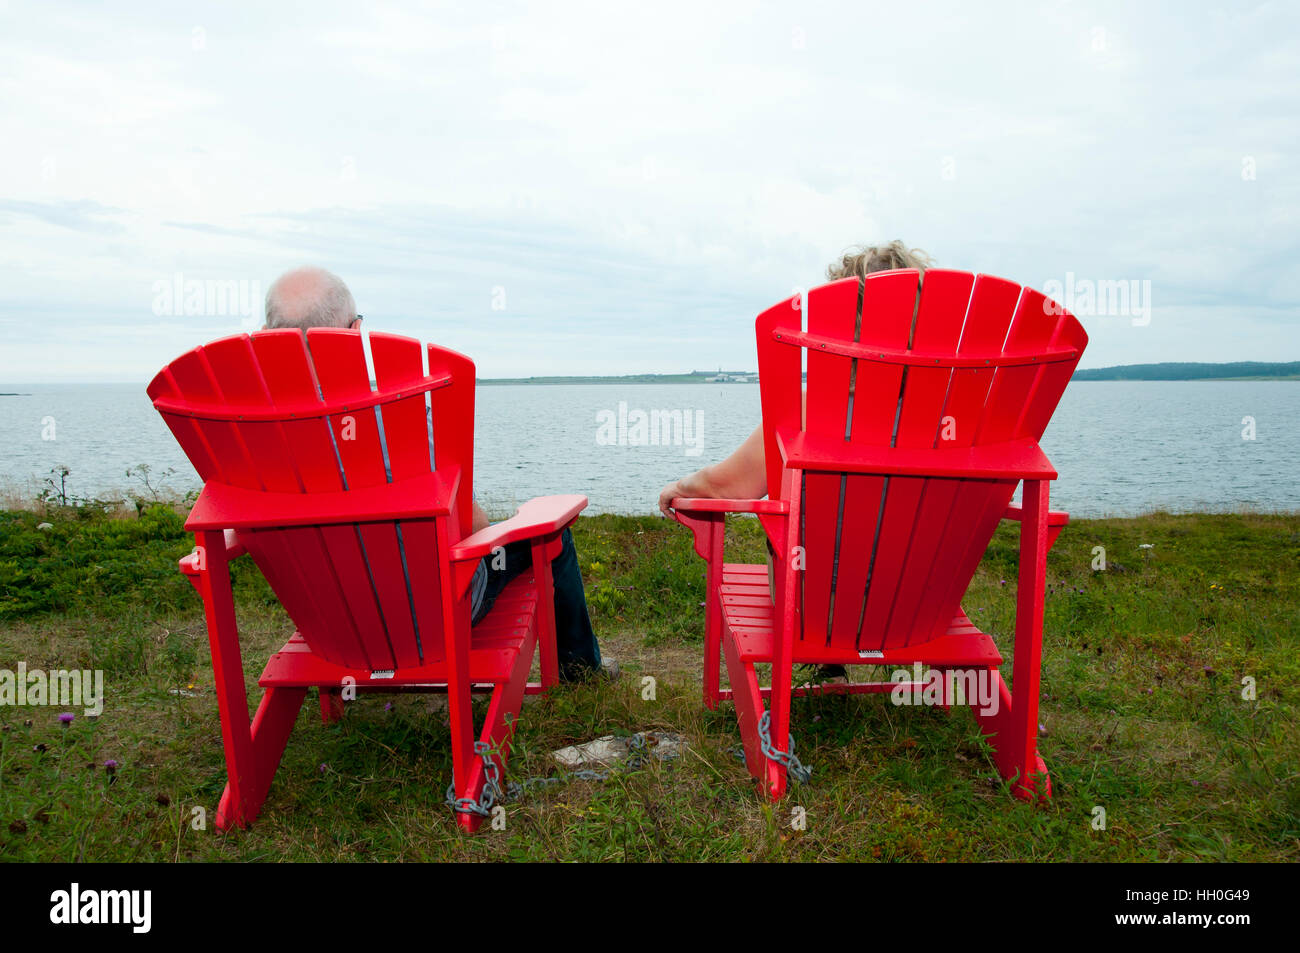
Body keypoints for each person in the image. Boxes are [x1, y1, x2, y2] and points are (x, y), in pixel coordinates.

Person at [264, 266, 610, 681]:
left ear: (267, 335)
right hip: (431, 621)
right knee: (553, 537)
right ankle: (583, 674)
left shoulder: (250, 433)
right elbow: (471, 527)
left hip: (332, 624)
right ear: (355, 332)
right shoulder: (401, 420)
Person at [657, 242, 933, 516]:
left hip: (817, 560)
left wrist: (681, 486)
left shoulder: (805, 410)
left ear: (843, 321)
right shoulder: (955, 415)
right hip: (932, 560)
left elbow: (729, 486)